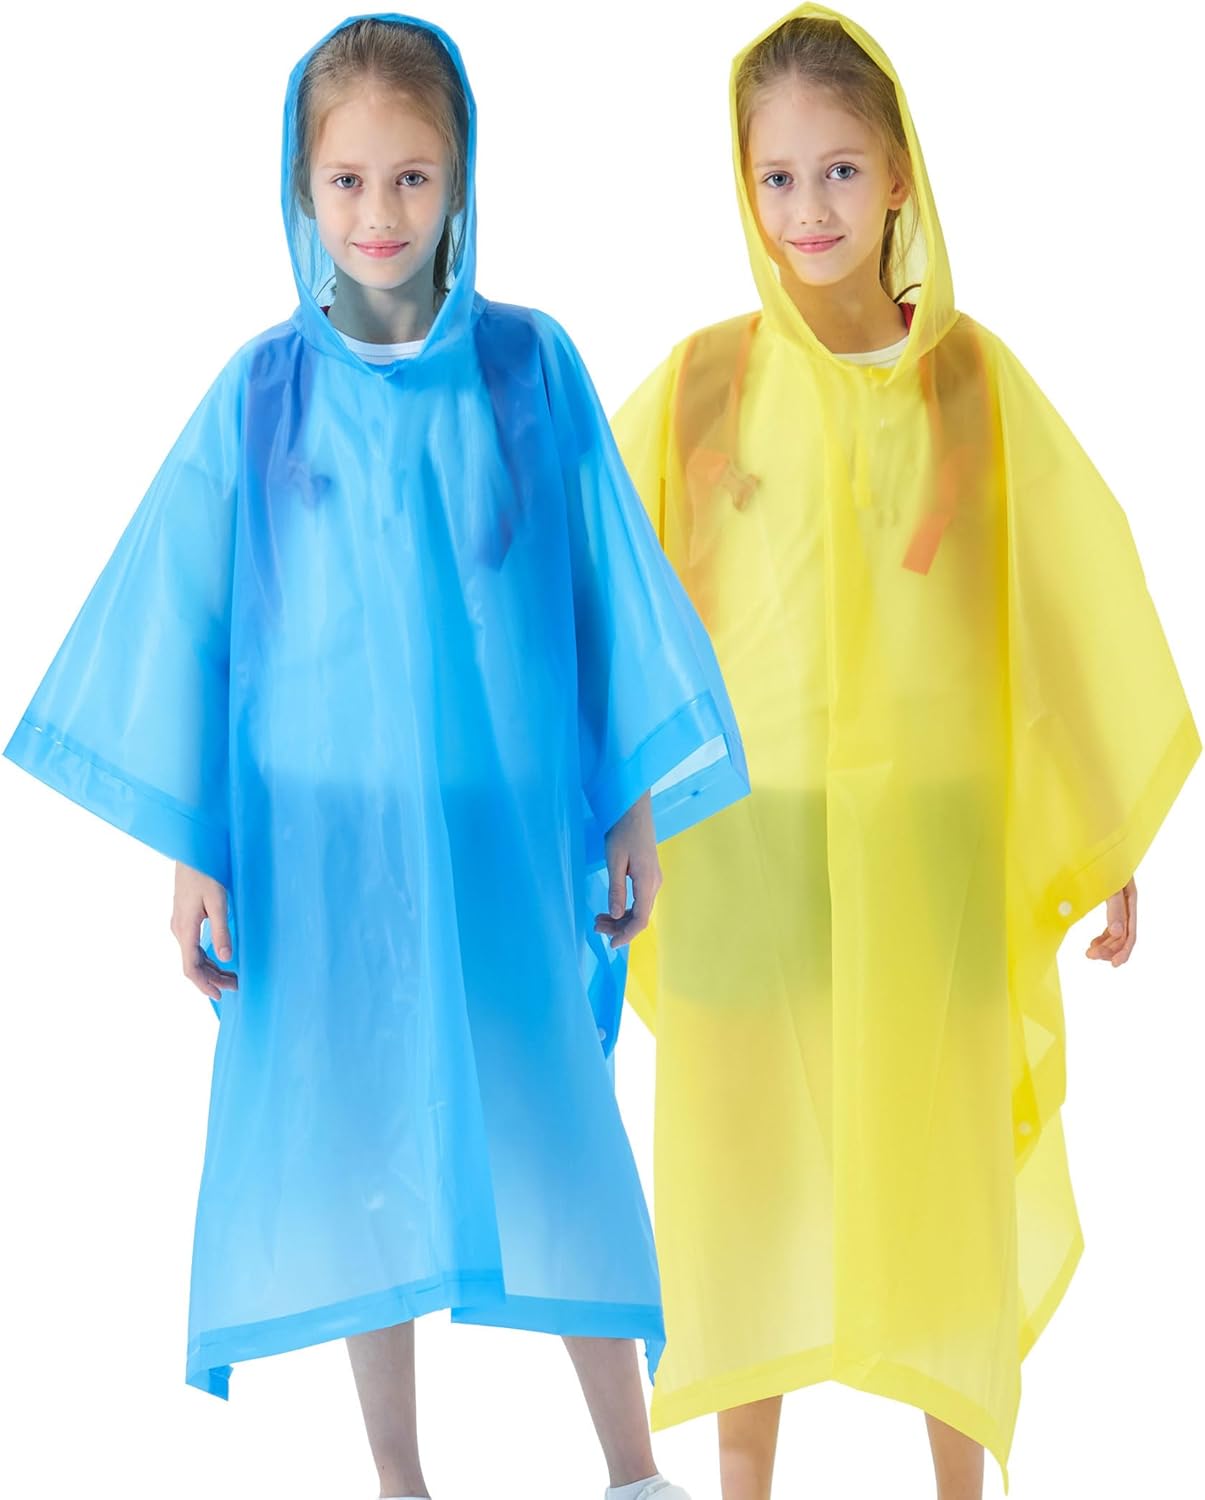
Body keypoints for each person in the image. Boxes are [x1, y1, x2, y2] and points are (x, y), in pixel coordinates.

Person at [2, 14, 748, 1500]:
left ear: (461, 179)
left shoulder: (530, 370)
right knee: (366, 1148)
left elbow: (604, 588)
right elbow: (196, 626)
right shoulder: (263, 395)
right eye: (346, 181)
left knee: (549, 1120)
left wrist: (629, 806)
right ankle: (399, 1476)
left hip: (498, 820)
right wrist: (199, 850)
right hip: (323, 834)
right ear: (300, 188)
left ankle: (631, 1468)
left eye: (412, 177)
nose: (380, 213)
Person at [610, 5, 1199, 1498]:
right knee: (747, 1172)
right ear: (742, 187)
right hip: (743, 845)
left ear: (898, 177)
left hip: (932, 834)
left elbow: (1054, 604)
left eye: (839, 171)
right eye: (776, 178)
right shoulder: (701, 386)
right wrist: (597, 806)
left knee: (938, 1174)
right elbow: (597, 592)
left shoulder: (972, 387)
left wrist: (1095, 830)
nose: (807, 209)